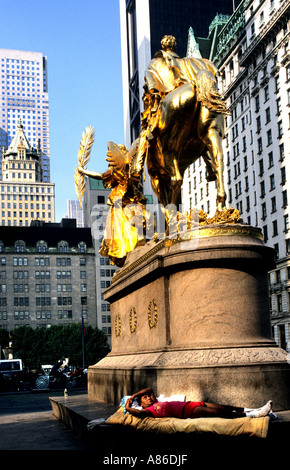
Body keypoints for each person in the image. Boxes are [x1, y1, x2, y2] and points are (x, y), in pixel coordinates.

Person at [125, 387, 273, 419]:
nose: (148, 397)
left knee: (224, 407)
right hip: (188, 412)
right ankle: (255, 415)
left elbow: (150, 388)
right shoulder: (148, 411)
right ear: (141, 404)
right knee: (220, 413)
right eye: (144, 398)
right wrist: (128, 405)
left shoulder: (156, 401)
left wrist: (135, 395)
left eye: (147, 396)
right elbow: (137, 413)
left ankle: (253, 408)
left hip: (191, 403)